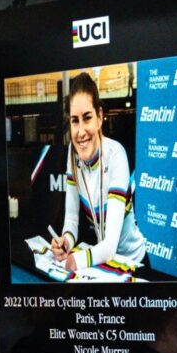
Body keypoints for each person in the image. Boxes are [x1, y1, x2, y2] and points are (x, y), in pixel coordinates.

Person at [48, 71, 147, 278]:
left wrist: (76, 259)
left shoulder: (116, 154)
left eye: (87, 118)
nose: (81, 131)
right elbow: (72, 218)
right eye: (75, 121)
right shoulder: (72, 155)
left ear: (100, 117)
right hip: (102, 264)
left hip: (131, 263)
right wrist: (66, 240)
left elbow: (110, 245)